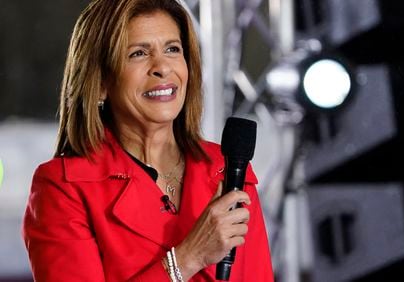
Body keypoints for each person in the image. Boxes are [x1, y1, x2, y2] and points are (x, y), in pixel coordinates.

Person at [21, 0, 273, 281]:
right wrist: (187, 259)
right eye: (138, 53)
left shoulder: (227, 170)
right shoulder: (63, 188)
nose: (162, 67)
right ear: (101, 82)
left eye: (172, 49)